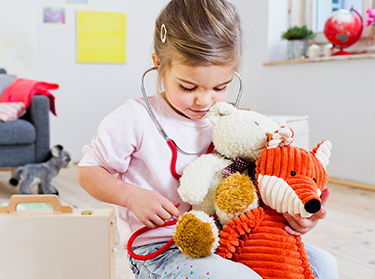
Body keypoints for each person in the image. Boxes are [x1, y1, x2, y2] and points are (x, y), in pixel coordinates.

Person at [77, 0, 339, 278]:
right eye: (187, 87)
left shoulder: (231, 124)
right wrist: (131, 197)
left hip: (231, 239)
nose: (204, 100)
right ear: (158, 65)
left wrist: (297, 213)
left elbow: (264, 180)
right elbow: (87, 172)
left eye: (220, 87)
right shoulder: (135, 118)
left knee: (323, 264)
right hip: (162, 250)